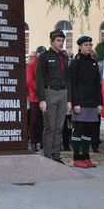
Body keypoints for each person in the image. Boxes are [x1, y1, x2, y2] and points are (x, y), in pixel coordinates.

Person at [36, 30, 71, 163]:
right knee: (49, 126)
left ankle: (56, 155)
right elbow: (39, 79)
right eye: (58, 40)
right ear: (51, 41)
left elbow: (68, 79)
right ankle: (47, 156)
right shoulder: (44, 57)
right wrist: (42, 99)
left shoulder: (64, 57)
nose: (60, 43)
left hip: (63, 93)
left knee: (59, 126)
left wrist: (69, 99)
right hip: (49, 93)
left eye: (62, 41)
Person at [69, 36, 102, 168]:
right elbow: (73, 83)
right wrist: (75, 102)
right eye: (86, 44)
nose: (88, 47)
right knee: (79, 129)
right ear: (80, 46)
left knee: (89, 130)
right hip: (80, 101)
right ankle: (77, 158)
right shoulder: (76, 62)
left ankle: (86, 157)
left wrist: (100, 102)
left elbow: (96, 84)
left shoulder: (93, 62)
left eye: (90, 44)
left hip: (92, 101)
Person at [26, 46, 46, 151]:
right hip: (35, 97)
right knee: (34, 120)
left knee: (45, 121)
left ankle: (43, 141)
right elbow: (29, 81)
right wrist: (41, 90)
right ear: (37, 54)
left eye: (44, 53)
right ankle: (33, 142)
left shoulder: (46, 65)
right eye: (41, 53)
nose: (42, 55)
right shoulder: (31, 65)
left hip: (46, 96)